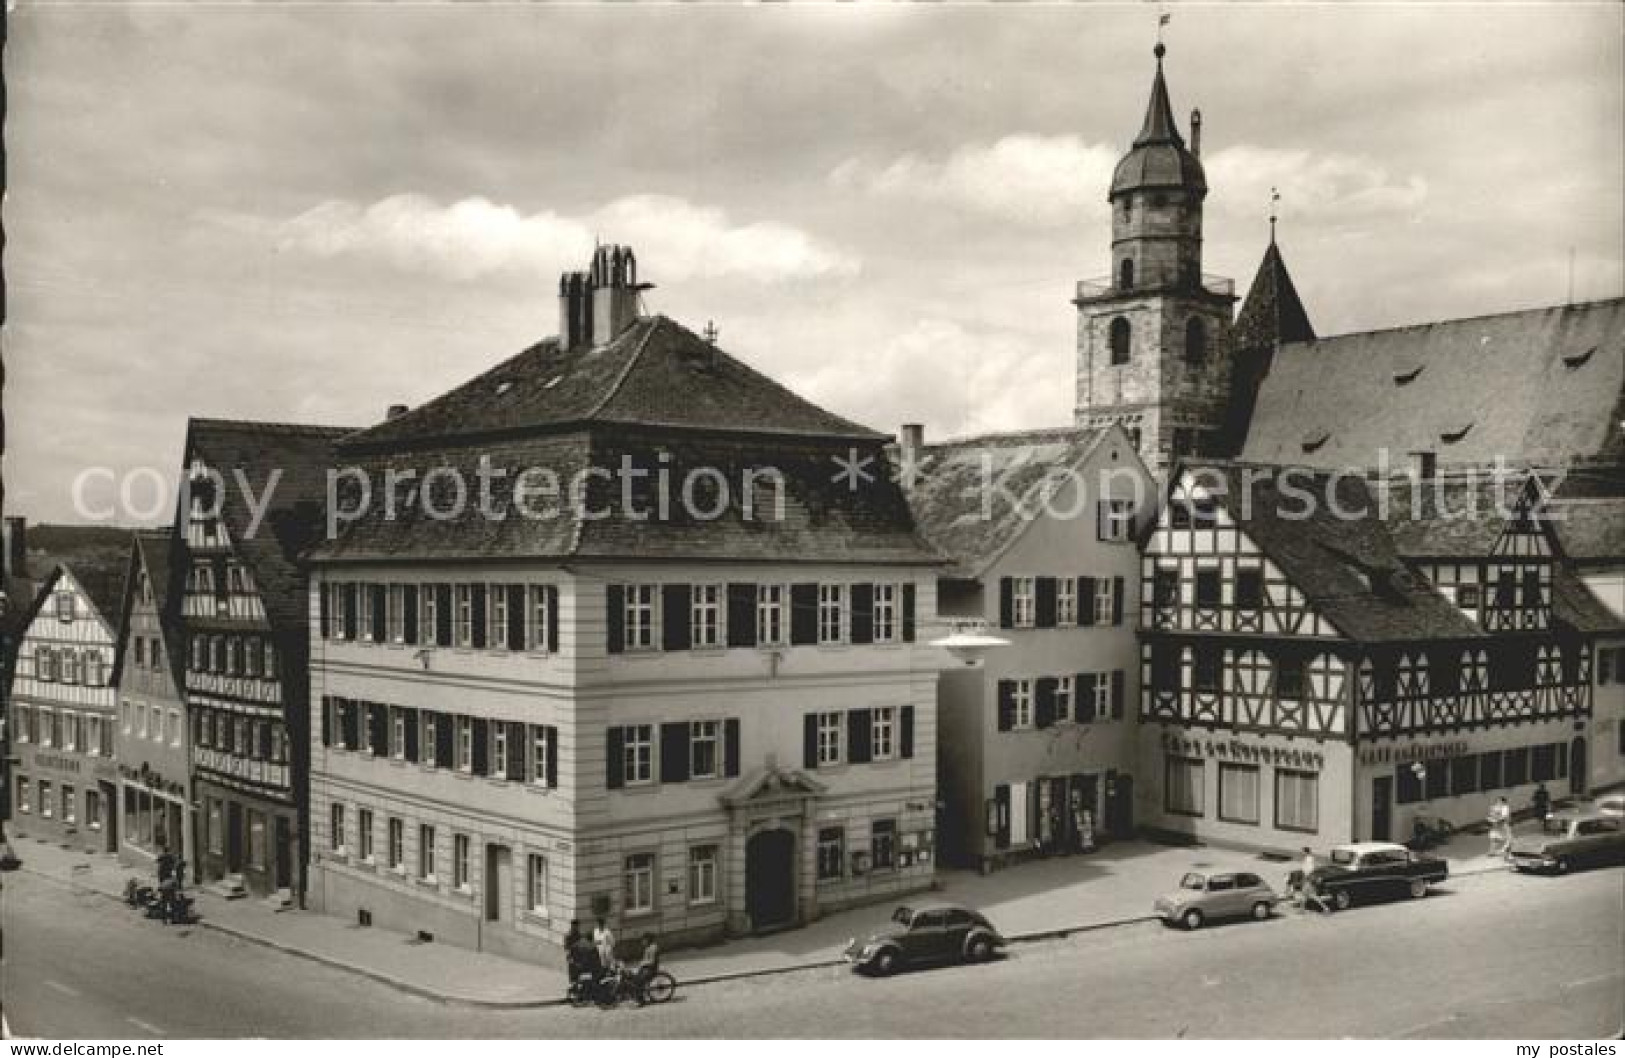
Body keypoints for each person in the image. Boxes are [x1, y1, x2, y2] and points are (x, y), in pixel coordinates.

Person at [632, 933, 661, 1003]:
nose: (642, 942)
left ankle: (640, 1000)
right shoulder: (648, 948)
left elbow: (652, 961)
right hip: (646, 968)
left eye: (644, 940)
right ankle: (636, 996)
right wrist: (640, 963)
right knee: (632, 977)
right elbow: (646, 959)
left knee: (638, 981)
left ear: (648, 940)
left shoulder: (653, 948)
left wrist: (642, 963)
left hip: (651, 969)